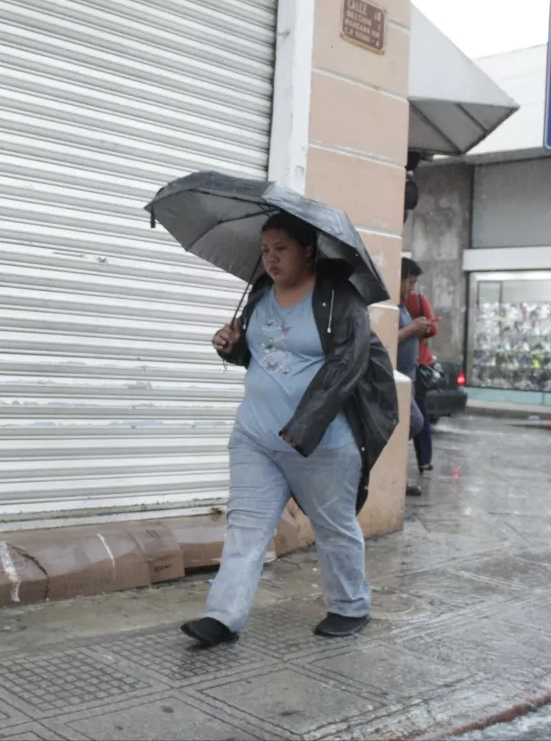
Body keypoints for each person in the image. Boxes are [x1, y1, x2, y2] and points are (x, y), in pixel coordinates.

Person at [183, 213, 398, 648]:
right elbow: (261, 355)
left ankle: (350, 605)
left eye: (281, 249)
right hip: (255, 437)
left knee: (333, 524)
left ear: (308, 250)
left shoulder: (342, 299)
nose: (271, 258)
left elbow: (347, 366)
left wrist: (303, 427)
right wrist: (232, 348)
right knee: (246, 527)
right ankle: (222, 617)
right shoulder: (261, 292)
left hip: (321, 441)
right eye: (265, 250)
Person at [398, 259, 433, 496]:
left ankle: (398, 478)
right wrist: (411, 329)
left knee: (408, 428)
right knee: (415, 422)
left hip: (408, 378)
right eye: (410, 282)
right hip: (397, 379)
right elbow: (385, 340)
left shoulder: (402, 307)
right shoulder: (390, 308)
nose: (412, 288)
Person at [404, 269, 438, 473]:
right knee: (415, 416)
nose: (412, 287)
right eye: (410, 282)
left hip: (418, 364)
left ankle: (424, 459)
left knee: (419, 416)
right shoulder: (394, 303)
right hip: (404, 366)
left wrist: (420, 328)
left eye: (414, 283)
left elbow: (433, 329)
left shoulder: (417, 299)